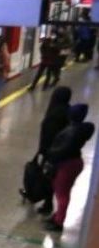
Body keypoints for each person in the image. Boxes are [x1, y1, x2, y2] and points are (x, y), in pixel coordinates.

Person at [20, 87, 72, 214]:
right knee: (51, 178)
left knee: (46, 177)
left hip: (51, 152)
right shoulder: (68, 110)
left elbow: (48, 135)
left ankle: (41, 199)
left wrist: (42, 152)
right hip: (63, 152)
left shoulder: (54, 114)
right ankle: (45, 201)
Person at [44, 104, 95, 232]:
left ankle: (59, 222)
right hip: (75, 162)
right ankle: (57, 216)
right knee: (62, 191)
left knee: (62, 194)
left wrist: (49, 154)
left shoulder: (72, 132)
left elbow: (62, 150)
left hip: (66, 165)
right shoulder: (82, 129)